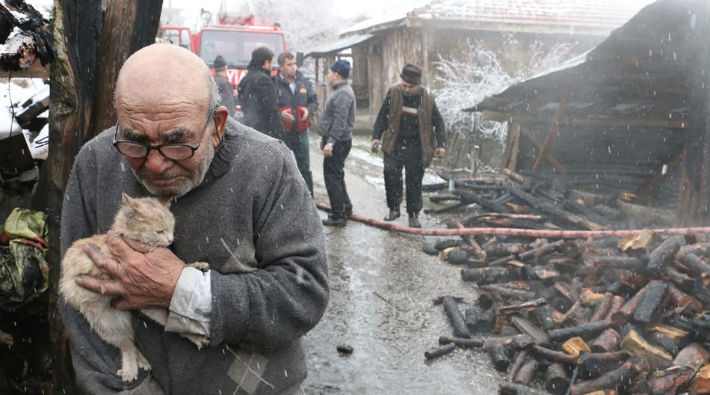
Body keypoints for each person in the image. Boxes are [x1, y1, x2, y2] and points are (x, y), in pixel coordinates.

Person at [59, 43, 328, 395]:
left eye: (177, 142)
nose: (155, 164)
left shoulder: (268, 166)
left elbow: (304, 293)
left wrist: (182, 291)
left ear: (217, 125)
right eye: (135, 140)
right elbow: (76, 303)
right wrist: (128, 389)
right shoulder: (95, 162)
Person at [371, 64, 446, 228]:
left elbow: (439, 123)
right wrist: (376, 137)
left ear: (418, 84)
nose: (407, 89)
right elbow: (382, 116)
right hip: (395, 143)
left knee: (414, 181)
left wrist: (441, 144)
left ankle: (413, 215)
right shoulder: (393, 93)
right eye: (404, 85)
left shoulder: (427, 98)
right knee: (390, 173)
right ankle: (394, 208)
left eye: (411, 87)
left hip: (417, 146)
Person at [273, 51, 318, 197]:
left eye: (294, 64)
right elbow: (268, 107)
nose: (293, 67)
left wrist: (308, 110)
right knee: (283, 166)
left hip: (301, 131)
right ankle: (285, 198)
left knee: (304, 166)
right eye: (289, 65)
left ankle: (308, 199)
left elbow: (314, 101)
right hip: (282, 133)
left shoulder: (303, 81)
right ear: (280, 67)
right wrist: (280, 115)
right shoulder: (273, 83)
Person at [318, 59, 355, 226]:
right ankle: (345, 208)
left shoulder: (343, 94)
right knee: (337, 175)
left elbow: (340, 121)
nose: (328, 75)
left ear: (337, 75)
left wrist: (331, 142)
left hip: (338, 141)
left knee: (332, 177)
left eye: (330, 72)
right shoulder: (341, 91)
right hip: (339, 140)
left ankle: (339, 215)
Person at [237, 46, 284, 138]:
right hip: (263, 133)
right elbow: (271, 110)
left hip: (248, 129)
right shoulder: (264, 80)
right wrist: (280, 134)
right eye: (272, 63)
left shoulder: (244, 79)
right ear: (266, 63)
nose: (272, 66)